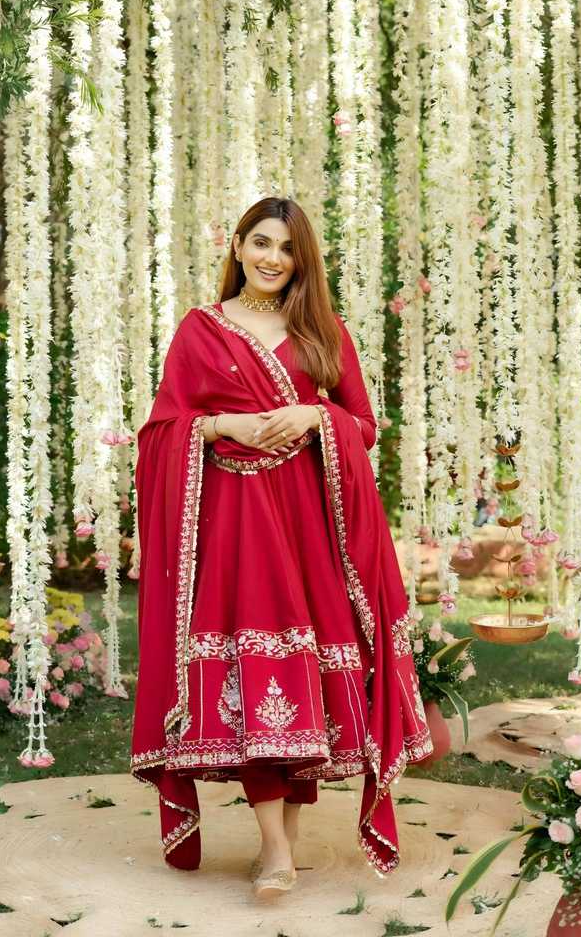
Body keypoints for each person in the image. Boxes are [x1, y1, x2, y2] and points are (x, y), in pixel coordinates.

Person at [130, 197, 433, 896]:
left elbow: (363, 424)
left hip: (306, 524)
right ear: (237, 247)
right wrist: (218, 428)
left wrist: (313, 413)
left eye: (287, 248)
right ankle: (274, 850)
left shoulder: (322, 329)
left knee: (304, 680)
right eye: (261, 242)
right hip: (233, 524)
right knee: (250, 673)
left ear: (302, 261)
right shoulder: (200, 330)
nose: (272, 258)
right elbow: (162, 429)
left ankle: (282, 846)